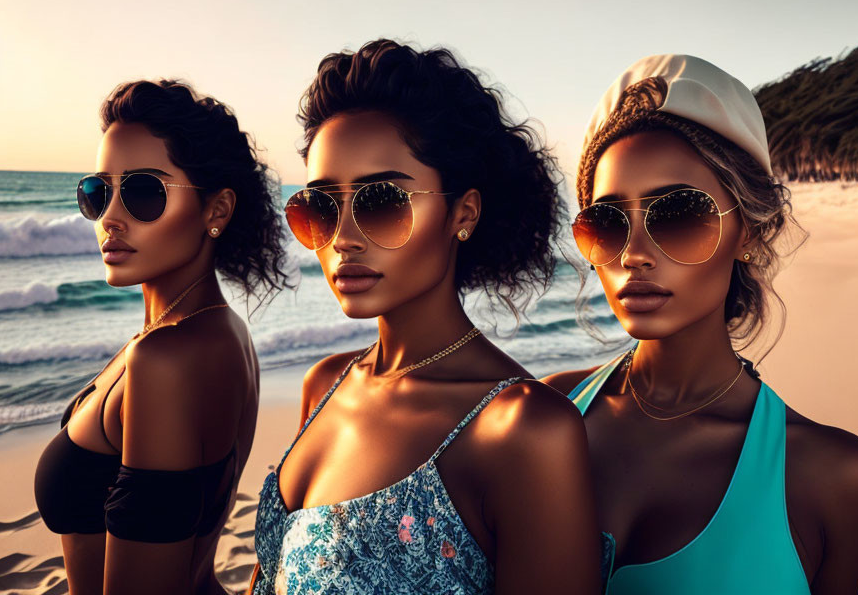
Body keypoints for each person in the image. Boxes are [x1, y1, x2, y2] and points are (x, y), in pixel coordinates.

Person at [248, 39, 602, 595]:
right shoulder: (324, 385)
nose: (342, 237)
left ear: (463, 212)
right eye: (319, 206)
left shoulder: (523, 430)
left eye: (381, 202)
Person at [544, 55, 858, 594]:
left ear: (746, 231)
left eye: (677, 214)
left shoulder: (833, 474)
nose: (633, 254)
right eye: (606, 223)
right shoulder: (545, 414)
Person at [34, 80, 290, 595]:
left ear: (215, 211)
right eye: (97, 191)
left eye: (144, 192)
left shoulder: (166, 357)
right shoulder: (218, 331)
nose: (109, 217)